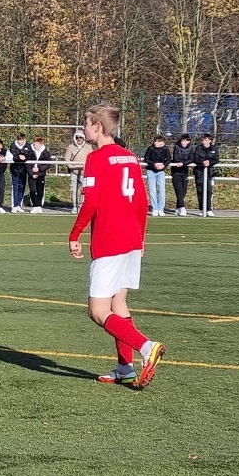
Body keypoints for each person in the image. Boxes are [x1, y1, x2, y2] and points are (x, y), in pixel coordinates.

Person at [69, 102, 164, 389]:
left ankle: (147, 347)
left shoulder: (95, 158)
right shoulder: (131, 157)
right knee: (118, 303)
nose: (84, 129)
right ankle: (125, 368)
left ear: (97, 127)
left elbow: (91, 202)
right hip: (131, 239)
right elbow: (142, 201)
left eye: (86, 124)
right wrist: (141, 238)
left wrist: (75, 233)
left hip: (109, 240)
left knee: (98, 311)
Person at [143, 135, 171, 217]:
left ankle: (161, 208)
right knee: (153, 191)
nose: (156, 143)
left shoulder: (165, 149)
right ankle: (155, 208)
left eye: (159, 141)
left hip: (161, 172)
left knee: (162, 190)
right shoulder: (150, 149)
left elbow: (169, 159)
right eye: (155, 141)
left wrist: (163, 165)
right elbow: (146, 159)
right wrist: (154, 164)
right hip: (151, 171)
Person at [64, 130, 91, 213]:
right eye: (77, 137)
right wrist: (71, 168)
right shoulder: (71, 147)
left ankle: (81, 206)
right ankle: (74, 206)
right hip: (74, 172)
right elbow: (67, 158)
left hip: (84, 172)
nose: (79, 139)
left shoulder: (88, 147)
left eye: (80, 137)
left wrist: (86, 169)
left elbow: (91, 159)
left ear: (83, 138)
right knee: (74, 190)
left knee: (83, 190)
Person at [193, 134, 219, 217]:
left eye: (206, 140)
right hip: (199, 172)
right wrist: (202, 162)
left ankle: (208, 209)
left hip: (209, 173)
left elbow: (216, 159)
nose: (204, 142)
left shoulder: (214, 148)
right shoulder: (198, 148)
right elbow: (195, 158)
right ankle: (202, 209)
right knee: (200, 191)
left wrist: (209, 162)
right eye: (203, 140)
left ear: (210, 141)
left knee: (209, 190)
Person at [170, 134, 195, 216]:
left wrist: (183, 163)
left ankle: (178, 207)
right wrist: (180, 162)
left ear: (188, 141)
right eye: (182, 141)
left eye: (185, 141)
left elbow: (191, 158)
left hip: (185, 172)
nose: (183, 142)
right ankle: (182, 207)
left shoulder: (190, 148)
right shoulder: (176, 147)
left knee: (184, 191)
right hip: (176, 172)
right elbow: (176, 158)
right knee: (179, 191)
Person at [27, 136, 52, 213]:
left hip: (41, 175)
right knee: (32, 190)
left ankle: (39, 206)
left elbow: (48, 164)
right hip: (32, 175)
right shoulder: (30, 152)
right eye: (34, 144)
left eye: (37, 145)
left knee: (40, 190)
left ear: (41, 144)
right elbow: (27, 164)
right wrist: (31, 173)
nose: (35, 146)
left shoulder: (46, 153)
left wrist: (39, 170)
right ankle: (34, 205)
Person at [9, 132, 31, 213]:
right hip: (15, 169)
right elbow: (13, 156)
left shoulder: (28, 146)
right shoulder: (13, 145)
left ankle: (19, 205)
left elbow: (29, 155)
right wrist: (19, 157)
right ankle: (14, 205)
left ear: (24, 139)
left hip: (24, 170)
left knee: (22, 187)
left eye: (21, 140)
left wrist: (25, 157)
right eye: (18, 140)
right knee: (15, 187)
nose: (19, 141)